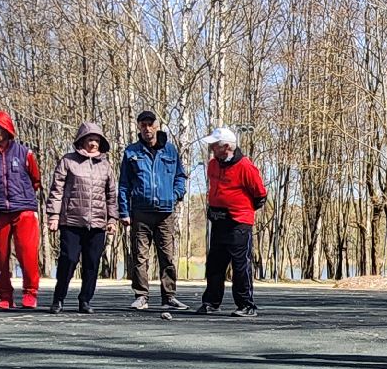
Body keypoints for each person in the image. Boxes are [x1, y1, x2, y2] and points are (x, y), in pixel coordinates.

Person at [45, 122, 119, 313]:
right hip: (72, 220)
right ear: (81, 141)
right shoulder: (68, 161)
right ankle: (58, 298)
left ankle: (85, 300)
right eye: (90, 139)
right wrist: (53, 215)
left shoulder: (106, 166)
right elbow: (57, 190)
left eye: (96, 140)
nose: (93, 143)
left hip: (97, 223)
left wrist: (112, 220)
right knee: (68, 260)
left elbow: (111, 195)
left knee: (92, 263)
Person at [119, 110, 189, 311]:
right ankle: (141, 296)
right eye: (143, 125)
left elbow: (180, 176)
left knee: (167, 256)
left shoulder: (170, 151)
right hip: (140, 212)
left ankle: (169, 296)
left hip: (165, 212)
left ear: (157, 126)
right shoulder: (131, 152)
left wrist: (176, 194)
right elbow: (124, 184)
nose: (147, 128)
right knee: (140, 256)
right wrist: (124, 211)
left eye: (151, 124)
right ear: (139, 127)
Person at [0, 110, 45, 310]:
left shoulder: (25, 153)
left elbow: (36, 180)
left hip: (24, 209)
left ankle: (30, 293)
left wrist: (22, 197)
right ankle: (5, 295)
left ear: (7, 129)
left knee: (27, 253)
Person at [196, 127, 265, 317]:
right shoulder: (213, 165)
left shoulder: (245, 166)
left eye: (214, 145)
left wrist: (241, 211)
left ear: (226, 146)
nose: (211, 148)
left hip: (238, 222)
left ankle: (246, 305)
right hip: (219, 221)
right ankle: (211, 302)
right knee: (215, 264)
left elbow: (260, 194)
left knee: (240, 265)